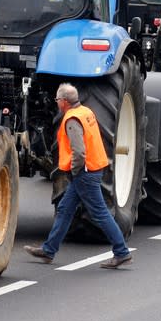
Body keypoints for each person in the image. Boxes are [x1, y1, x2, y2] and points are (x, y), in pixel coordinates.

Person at [23, 83, 133, 269]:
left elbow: (79, 152)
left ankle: (122, 252)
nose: (57, 103)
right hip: (92, 169)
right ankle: (49, 250)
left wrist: (74, 172)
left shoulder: (72, 120)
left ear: (64, 102)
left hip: (85, 172)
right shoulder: (86, 111)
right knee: (65, 209)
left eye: (58, 100)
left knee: (100, 213)